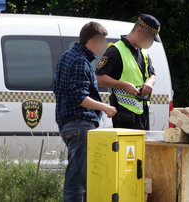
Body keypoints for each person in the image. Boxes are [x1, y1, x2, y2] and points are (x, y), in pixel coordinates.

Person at [53, 21, 117, 202]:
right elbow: (80, 98)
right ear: (94, 40)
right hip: (80, 123)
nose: (104, 46)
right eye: (103, 42)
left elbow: (58, 88)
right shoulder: (81, 62)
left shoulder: (67, 56)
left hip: (68, 124)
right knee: (77, 181)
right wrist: (106, 107)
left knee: (79, 178)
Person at [96, 14, 161, 130]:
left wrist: (149, 83)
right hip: (124, 114)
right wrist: (123, 85)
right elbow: (99, 77)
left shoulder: (143, 52)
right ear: (139, 30)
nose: (150, 42)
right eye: (149, 37)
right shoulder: (115, 51)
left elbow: (152, 74)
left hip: (142, 111)